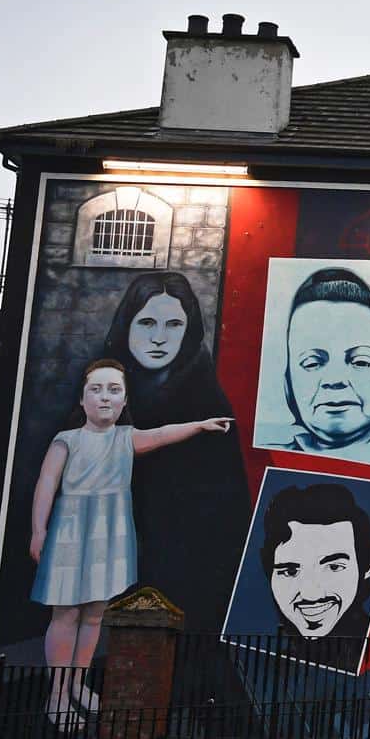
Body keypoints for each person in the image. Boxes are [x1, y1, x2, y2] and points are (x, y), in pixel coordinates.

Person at [28, 357, 233, 725]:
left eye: (114, 390)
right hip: (71, 528)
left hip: (111, 529)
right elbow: (46, 482)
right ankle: (57, 695)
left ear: (124, 400)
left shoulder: (126, 438)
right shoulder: (67, 441)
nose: (105, 398)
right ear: (82, 399)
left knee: (93, 614)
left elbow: (163, 433)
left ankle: (77, 683)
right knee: (66, 611)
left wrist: (200, 426)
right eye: (97, 389)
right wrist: (39, 530)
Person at [101, 272, 249, 639]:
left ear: (188, 330)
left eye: (174, 324)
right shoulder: (102, 387)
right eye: (147, 322)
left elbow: (225, 511)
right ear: (127, 323)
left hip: (183, 574)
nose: (159, 338)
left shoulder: (206, 399)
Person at [265, 267, 370, 467]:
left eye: (361, 361)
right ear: (288, 374)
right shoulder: (267, 459)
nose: (334, 380)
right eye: (312, 363)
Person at [255, 482, 370, 669]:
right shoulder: (266, 659)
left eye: (334, 567)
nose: (311, 594)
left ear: (367, 568)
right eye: (290, 571)